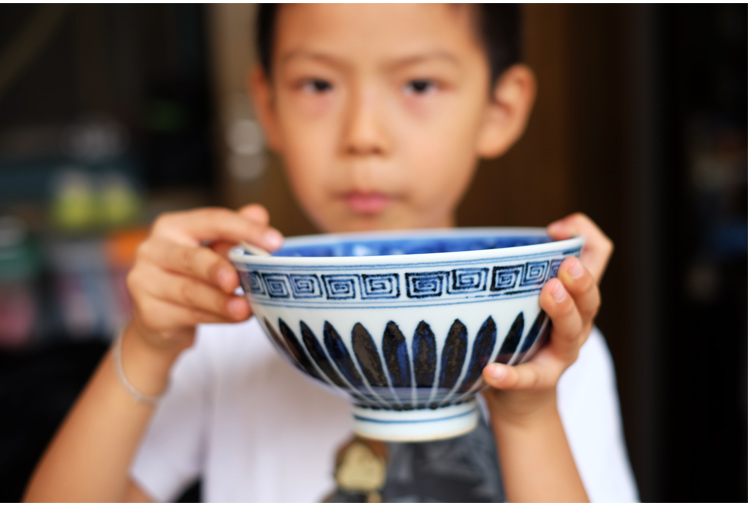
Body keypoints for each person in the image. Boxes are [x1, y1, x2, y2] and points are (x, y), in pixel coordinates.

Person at [24, 3, 638, 502]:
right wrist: (147, 345)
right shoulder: (221, 334)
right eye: (318, 83)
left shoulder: (554, 347)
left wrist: (528, 411)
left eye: (419, 83)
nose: (362, 135)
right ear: (267, 105)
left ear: (500, 109)